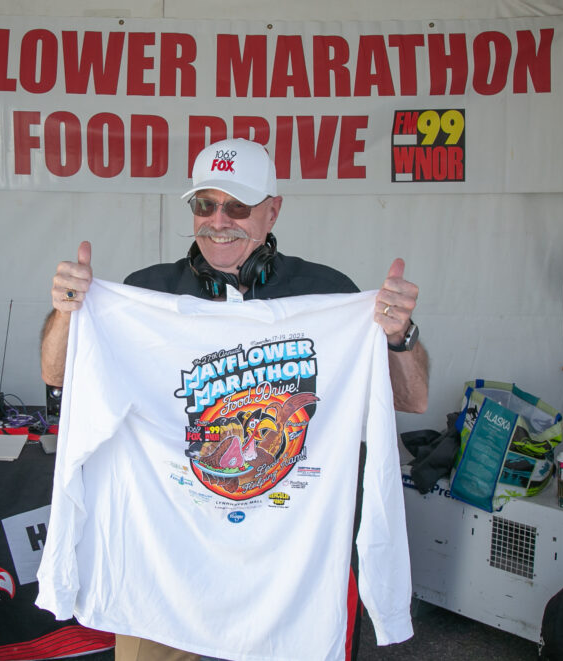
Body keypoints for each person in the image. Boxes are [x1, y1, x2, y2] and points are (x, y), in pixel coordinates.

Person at [39, 138, 429, 661]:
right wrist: (69, 312)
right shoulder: (144, 295)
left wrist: (399, 337)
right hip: (161, 578)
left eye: (238, 206)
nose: (218, 220)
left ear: (273, 211)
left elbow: (412, 399)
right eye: (205, 203)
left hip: (288, 582)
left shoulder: (329, 297)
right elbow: (56, 373)